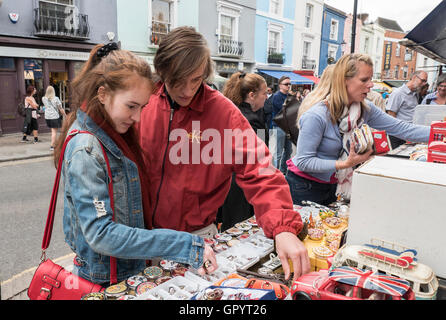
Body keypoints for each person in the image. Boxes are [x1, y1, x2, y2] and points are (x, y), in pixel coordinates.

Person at [139, 26, 310, 281]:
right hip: (142, 237)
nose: (186, 91)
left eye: (195, 80)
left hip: (195, 238)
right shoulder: (144, 100)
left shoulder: (223, 113)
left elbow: (260, 168)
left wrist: (282, 226)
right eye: (177, 81)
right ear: (162, 72)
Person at [53, 43, 217, 285]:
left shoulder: (114, 134)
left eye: (142, 107)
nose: (137, 117)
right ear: (102, 94)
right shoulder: (86, 148)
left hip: (127, 271)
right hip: (105, 280)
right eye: (131, 106)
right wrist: (182, 245)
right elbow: (101, 234)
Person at [286, 54, 430, 206]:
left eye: (370, 79)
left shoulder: (365, 109)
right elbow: (303, 161)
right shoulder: (317, 115)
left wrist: (439, 133)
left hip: (334, 186)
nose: (371, 85)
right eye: (364, 80)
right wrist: (346, 163)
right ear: (344, 81)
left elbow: (402, 128)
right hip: (303, 187)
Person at [216, 71, 268, 231]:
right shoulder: (249, 119)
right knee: (239, 229)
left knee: (229, 227)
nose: (266, 97)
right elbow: (257, 160)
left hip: (227, 181)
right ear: (251, 95)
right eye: (264, 93)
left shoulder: (232, 112)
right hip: (241, 185)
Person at [386, 70, 428, 148]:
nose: (424, 84)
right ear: (414, 77)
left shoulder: (415, 94)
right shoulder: (398, 93)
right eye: (423, 81)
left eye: (425, 82)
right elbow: (391, 116)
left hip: (410, 133)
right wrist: (400, 134)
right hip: (399, 135)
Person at [269, 76, 293, 175]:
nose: (288, 86)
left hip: (288, 127)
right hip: (279, 126)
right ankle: (275, 173)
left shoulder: (289, 96)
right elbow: (283, 111)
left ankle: (282, 171)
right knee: (278, 152)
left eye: (289, 84)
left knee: (289, 150)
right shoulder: (277, 96)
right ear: (280, 85)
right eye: (286, 84)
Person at [43, 85, 66, 151]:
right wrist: (65, 115)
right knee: (54, 132)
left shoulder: (43, 98)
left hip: (47, 117)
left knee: (52, 131)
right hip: (54, 116)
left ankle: (54, 143)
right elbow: (60, 109)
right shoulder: (56, 99)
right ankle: (52, 146)